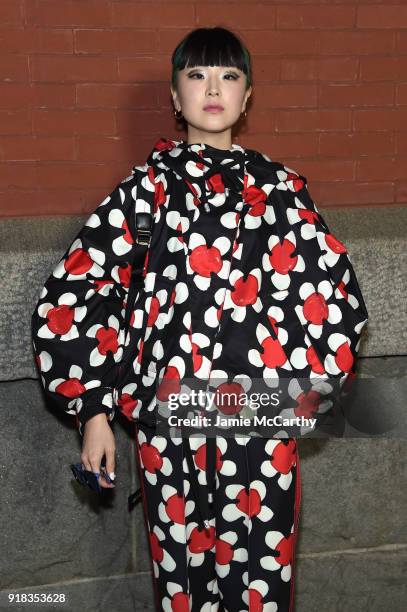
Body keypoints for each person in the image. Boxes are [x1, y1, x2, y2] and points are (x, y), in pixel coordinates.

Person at [31, 26, 368, 611]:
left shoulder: (282, 191)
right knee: (184, 586)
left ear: (248, 95)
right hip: (171, 421)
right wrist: (92, 410)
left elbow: (335, 294)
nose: (213, 88)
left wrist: (307, 395)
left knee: (261, 582)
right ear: (174, 94)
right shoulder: (146, 192)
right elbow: (78, 293)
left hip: (261, 419)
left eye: (229, 76)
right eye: (197, 75)